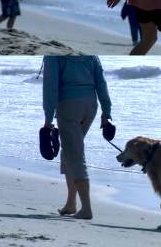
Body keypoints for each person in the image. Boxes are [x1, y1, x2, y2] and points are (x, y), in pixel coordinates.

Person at [43, 56, 112, 220]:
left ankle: (87, 209)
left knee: (75, 156)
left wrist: (48, 118)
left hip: (68, 105)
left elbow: (50, 86)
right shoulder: (91, 55)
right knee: (69, 152)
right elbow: (101, 82)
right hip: (90, 106)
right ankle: (71, 203)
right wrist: (106, 112)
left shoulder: (53, 56)